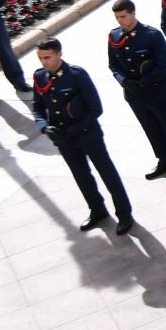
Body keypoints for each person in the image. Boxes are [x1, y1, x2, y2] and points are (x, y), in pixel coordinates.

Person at [31, 38, 133, 235]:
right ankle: (97, 209)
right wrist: (44, 127)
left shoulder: (76, 75)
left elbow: (95, 108)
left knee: (107, 173)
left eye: (47, 57)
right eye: (40, 58)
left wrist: (75, 129)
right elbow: (38, 107)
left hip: (87, 134)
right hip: (63, 138)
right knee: (81, 175)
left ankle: (124, 213)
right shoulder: (39, 77)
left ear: (59, 54)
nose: (44, 62)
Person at [106, 0, 166, 181]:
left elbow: (163, 65)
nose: (120, 20)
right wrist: (124, 81)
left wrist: (143, 83)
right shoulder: (114, 37)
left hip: (157, 92)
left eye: (123, 16)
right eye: (117, 17)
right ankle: (165, 159)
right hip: (134, 95)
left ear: (133, 13)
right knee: (151, 129)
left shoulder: (151, 35)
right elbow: (113, 65)